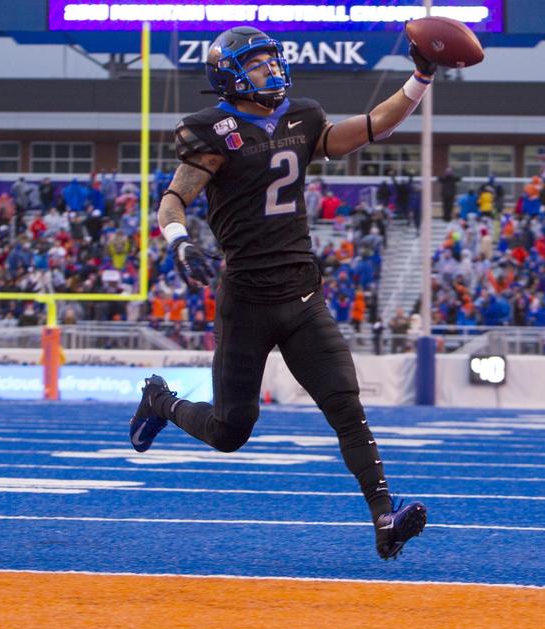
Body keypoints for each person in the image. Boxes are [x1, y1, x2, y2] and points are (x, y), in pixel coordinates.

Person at [129, 26, 429, 560]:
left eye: (273, 60)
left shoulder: (303, 116)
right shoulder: (213, 131)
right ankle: (162, 400)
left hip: (302, 294)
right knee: (230, 431)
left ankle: (385, 518)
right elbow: (173, 200)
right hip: (246, 300)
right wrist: (177, 242)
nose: (272, 70)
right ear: (230, 74)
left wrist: (422, 75)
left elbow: (373, 126)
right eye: (260, 63)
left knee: (346, 404)